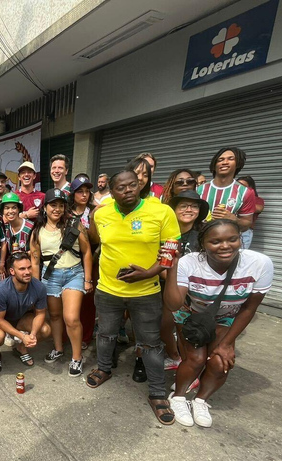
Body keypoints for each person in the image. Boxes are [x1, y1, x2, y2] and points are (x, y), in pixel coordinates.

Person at [86, 169, 181, 425]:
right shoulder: (102, 213)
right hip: (108, 290)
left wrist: (149, 272)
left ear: (140, 185)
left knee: (150, 342)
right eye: (121, 187)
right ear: (112, 192)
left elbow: (172, 249)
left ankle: (158, 393)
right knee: (105, 333)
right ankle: (104, 368)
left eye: (132, 185)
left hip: (146, 291)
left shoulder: (161, 212)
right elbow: (96, 241)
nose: (128, 190)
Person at [165, 219, 273, 427]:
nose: (225, 246)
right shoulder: (189, 262)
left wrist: (226, 344)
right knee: (196, 359)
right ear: (203, 243)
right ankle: (178, 398)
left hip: (225, 318)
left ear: (240, 239)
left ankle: (201, 400)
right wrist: (173, 267)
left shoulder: (260, 264)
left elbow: (249, 308)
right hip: (190, 316)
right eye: (215, 241)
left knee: (220, 362)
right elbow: (173, 304)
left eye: (232, 239)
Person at [29, 188, 92, 376]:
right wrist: (35, 285)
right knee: (54, 316)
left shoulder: (74, 224)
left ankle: (77, 357)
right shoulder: (37, 231)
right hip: (50, 277)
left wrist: (87, 279)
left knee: (71, 318)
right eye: (53, 205)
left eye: (61, 205)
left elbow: (87, 251)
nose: (57, 209)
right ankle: (58, 348)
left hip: (74, 274)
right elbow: (34, 261)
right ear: (45, 207)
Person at [159, 190, 210, 375]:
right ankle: (175, 357)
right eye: (183, 206)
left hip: (197, 293)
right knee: (164, 327)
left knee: (188, 333)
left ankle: (192, 368)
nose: (189, 210)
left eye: (194, 206)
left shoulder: (204, 234)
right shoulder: (164, 231)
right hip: (170, 289)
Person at [0, 252, 51, 370]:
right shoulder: (0, 290)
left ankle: (21, 347)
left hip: (20, 318)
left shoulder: (39, 287)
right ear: (12, 271)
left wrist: (31, 335)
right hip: (0, 320)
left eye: (29, 267)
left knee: (45, 330)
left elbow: (40, 313)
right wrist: (22, 336)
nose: (27, 272)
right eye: (22, 269)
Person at [68, 176, 98, 350]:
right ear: (73, 194)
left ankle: (86, 335)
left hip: (91, 258)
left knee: (88, 298)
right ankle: (68, 334)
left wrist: (92, 220)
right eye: (80, 191)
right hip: (69, 259)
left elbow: (97, 238)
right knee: (70, 299)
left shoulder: (95, 211)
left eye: (87, 191)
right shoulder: (65, 211)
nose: (84, 195)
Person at [197, 147, 256, 233]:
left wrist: (233, 219)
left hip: (226, 243)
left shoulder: (246, 192)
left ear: (238, 164)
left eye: (230, 159)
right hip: (199, 241)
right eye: (220, 160)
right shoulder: (199, 189)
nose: (224, 162)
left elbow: (247, 224)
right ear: (214, 165)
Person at [0, 192, 33, 270]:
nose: (10, 211)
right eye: (7, 208)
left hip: (30, 270)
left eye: (14, 207)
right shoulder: (5, 228)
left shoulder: (30, 227)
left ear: (18, 209)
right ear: (3, 211)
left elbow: (39, 250)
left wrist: (23, 254)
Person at [237, 175, 264, 250]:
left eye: (242, 186)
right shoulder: (233, 197)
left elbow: (259, 209)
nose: (239, 187)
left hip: (244, 232)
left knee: (241, 255)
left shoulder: (257, 200)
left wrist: (243, 202)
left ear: (250, 188)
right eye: (237, 185)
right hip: (230, 229)